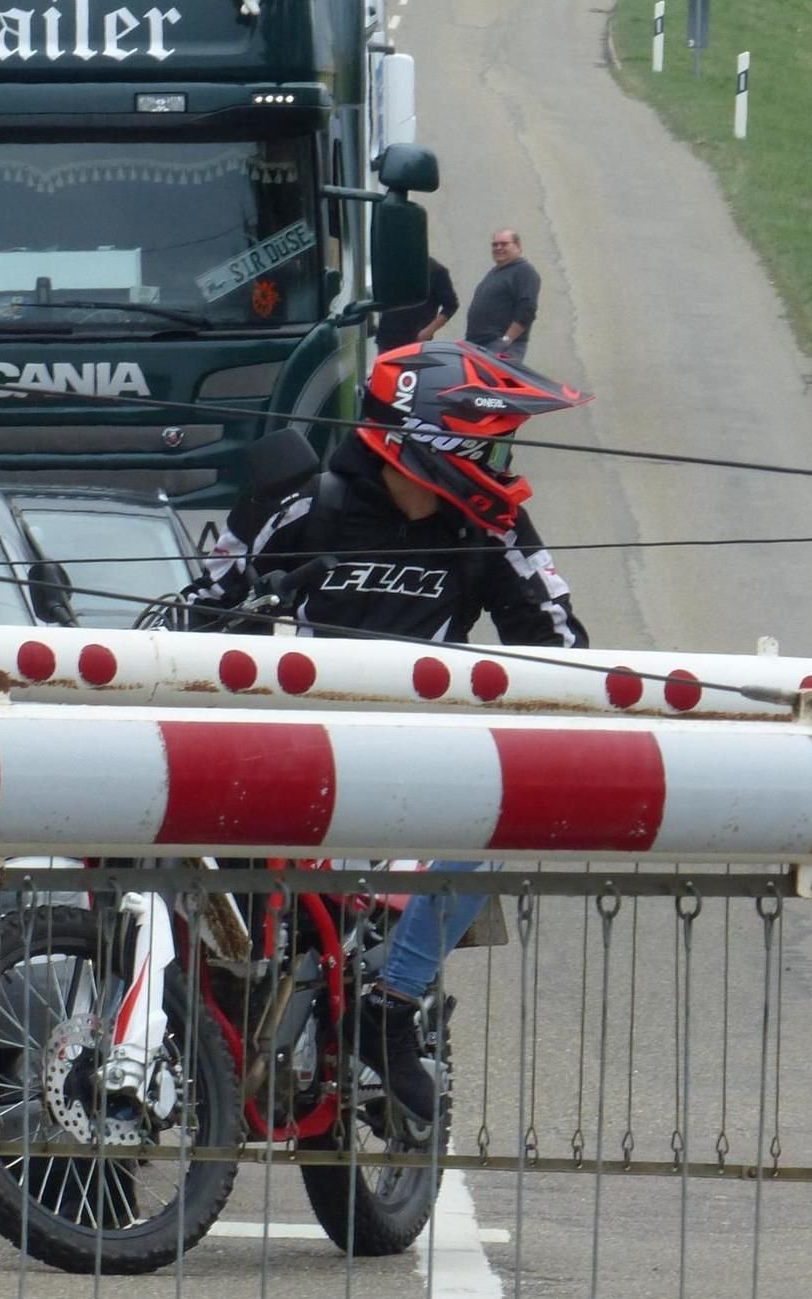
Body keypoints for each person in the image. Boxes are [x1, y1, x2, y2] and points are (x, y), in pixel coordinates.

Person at [183, 341, 593, 1122]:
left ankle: (392, 1004)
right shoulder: (304, 500)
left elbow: (562, 645)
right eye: (490, 447)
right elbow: (204, 605)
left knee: (506, 810)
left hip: (419, 760)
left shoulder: (492, 525)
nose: (501, 466)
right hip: (292, 748)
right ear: (436, 442)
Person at [464, 228, 541, 363]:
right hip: (478, 345)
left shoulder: (524, 271)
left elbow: (527, 309)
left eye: (504, 244)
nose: (498, 248)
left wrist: (506, 340)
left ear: (518, 246)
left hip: (502, 347)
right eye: (495, 244)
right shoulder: (495, 272)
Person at [374, 254, 460, 351]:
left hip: (416, 340)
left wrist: (428, 331)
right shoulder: (395, 266)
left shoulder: (436, 271)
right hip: (387, 338)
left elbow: (451, 306)